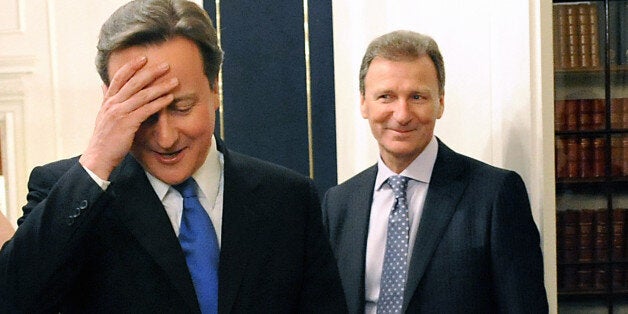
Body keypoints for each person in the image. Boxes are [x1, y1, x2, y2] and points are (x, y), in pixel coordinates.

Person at [0, 0, 346, 312]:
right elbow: (14, 299)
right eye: (143, 114)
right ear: (109, 102)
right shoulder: (68, 192)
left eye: (182, 108)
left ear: (214, 89)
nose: (165, 138)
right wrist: (96, 161)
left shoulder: (287, 199)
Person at [322, 30, 548, 313]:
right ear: (364, 103)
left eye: (417, 97)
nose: (402, 114)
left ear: (440, 102)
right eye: (386, 97)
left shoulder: (495, 195)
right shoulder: (339, 203)